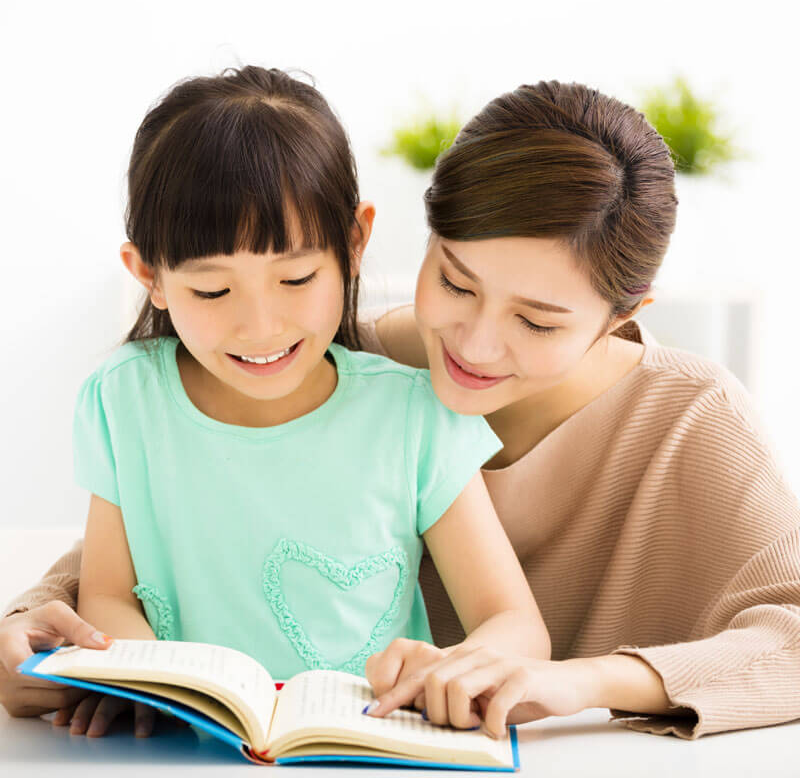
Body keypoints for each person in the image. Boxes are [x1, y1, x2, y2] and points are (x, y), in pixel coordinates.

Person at [4, 79, 800, 741]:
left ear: (623, 311)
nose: (476, 345)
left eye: (538, 319)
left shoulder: (692, 418)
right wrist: (36, 621)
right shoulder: (341, 359)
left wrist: (577, 682)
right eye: (455, 282)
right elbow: (171, 531)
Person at [0, 66, 548, 739]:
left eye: (294, 278)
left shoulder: (413, 415)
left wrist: (456, 668)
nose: (260, 327)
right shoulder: (125, 401)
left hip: (367, 746)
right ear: (150, 276)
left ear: (354, 243)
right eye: (211, 291)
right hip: (183, 749)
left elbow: (515, 624)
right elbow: (108, 593)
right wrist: (137, 680)